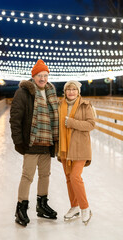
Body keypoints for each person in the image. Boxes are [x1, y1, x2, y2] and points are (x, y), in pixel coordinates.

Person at [10, 59, 59, 227]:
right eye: (40, 75)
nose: (43, 78)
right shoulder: (24, 92)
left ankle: (42, 204)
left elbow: (55, 118)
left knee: (45, 175)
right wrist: (18, 141)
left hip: (47, 142)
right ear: (34, 76)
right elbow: (15, 118)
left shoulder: (51, 91)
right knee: (27, 176)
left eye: (45, 75)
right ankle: (21, 208)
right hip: (31, 142)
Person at [58, 80, 95, 225]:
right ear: (65, 92)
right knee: (68, 177)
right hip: (64, 147)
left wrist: (72, 123)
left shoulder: (85, 105)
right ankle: (74, 207)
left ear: (78, 92)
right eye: (68, 89)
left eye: (74, 89)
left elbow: (91, 124)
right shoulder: (60, 105)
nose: (71, 92)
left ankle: (85, 208)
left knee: (75, 177)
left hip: (80, 147)